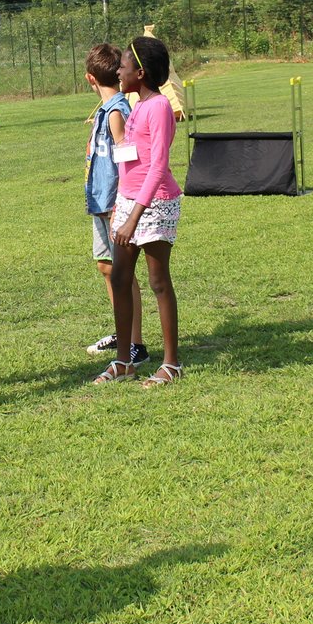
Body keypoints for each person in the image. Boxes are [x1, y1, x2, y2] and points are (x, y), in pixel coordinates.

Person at [95, 35, 182, 388]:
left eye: (125, 65)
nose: (119, 69)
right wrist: (122, 204)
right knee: (118, 278)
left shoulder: (159, 107)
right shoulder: (135, 105)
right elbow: (130, 158)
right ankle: (124, 361)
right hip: (129, 202)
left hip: (156, 201)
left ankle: (171, 364)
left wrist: (134, 216)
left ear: (141, 73)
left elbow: (158, 165)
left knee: (158, 281)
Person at [81, 44, 144, 364]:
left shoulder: (117, 110)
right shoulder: (108, 109)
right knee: (107, 267)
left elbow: (126, 153)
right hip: (100, 200)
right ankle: (124, 332)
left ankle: (135, 344)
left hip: (113, 202)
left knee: (122, 271)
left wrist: (122, 201)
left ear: (90, 78)